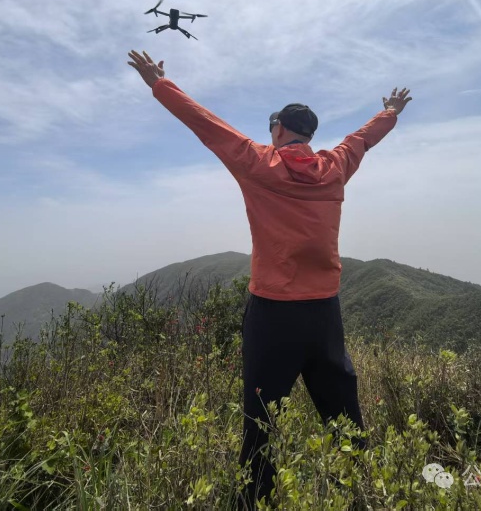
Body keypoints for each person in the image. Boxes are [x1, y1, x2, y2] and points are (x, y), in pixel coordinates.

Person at [127, 49, 412, 507]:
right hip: (325, 312)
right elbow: (362, 139)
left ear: (279, 130)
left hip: (273, 314)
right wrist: (391, 111)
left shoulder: (258, 163)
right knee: (342, 412)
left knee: (260, 420)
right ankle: (359, 494)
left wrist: (159, 84)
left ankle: (255, 500)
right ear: (308, 135)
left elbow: (207, 124)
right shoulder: (335, 167)